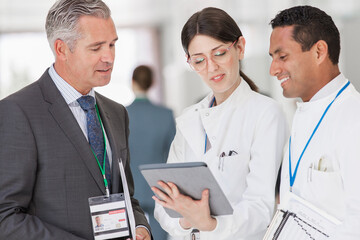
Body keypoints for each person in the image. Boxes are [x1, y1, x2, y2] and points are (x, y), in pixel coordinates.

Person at [0, 0, 151, 239]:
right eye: (96, 48)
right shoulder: (18, 111)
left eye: (112, 45)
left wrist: (140, 227)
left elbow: (124, 195)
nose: (109, 57)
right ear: (62, 49)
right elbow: (6, 217)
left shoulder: (117, 113)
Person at [153, 7, 287, 240]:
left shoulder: (265, 113)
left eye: (220, 53)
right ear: (190, 63)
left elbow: (260, 208)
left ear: (240, 47)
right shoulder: (188, 119)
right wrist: (186, 219)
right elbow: (163, 208)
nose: (211, 67)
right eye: (199, 60)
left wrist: (210, 224)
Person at [269, 5, 360, 239]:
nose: (273, 69)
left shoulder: (353, 116)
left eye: (282, 56)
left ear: (319, 52)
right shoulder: (305, 113)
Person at [127, 65, 176, 240]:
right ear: (153, 83)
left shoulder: (120, 114)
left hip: (130, 190)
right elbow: (173, 155)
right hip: (159, 187)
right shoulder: (166, 115)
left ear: (132, 82)